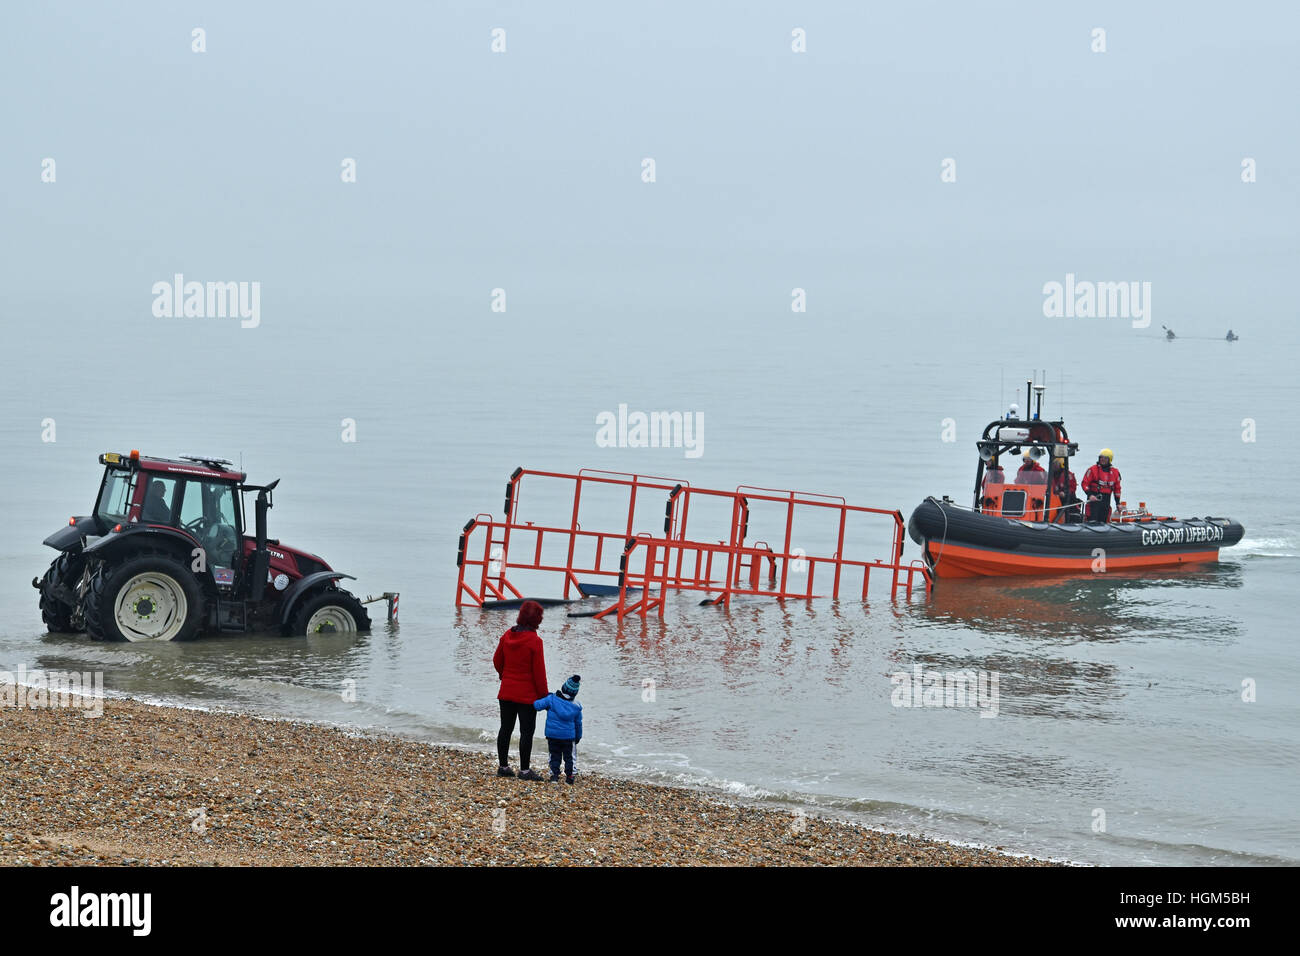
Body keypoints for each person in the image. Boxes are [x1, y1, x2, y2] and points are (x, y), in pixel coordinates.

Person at [493, 600, 549, 780]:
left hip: (507, 691)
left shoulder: (507, 635)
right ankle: (524, 770)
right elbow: (539, 673)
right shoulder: (535, 641)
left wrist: (504, 675)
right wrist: (544, 697)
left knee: (505, 729)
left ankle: (503, 766)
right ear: (536, 619)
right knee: (526, 732)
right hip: (527, 696)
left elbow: (496, 660)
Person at [535, 675, 583, 784]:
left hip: (553, 735)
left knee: (554, 755)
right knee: (569, 757)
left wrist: (541, 696)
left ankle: (554, 776)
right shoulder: (576, 707)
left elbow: (537, 706)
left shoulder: (551, 699)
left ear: (563, 688)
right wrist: (578, 736)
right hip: (568, 737)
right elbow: (578, 724)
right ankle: (570, 776)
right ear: (574, 693)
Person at [1081, 449, 1122, 523]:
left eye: (1105, 458)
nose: (1102, 460)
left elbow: (1117, 489)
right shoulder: (1092, 470)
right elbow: (1084, 483)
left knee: (1104, 521)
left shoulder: (1115, 472)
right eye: (1101, 457)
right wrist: (1090, 495)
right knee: (1092, 521)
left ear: (1110, 460)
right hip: (1094, 500)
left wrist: (1118, 503)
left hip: (1106, 501)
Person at [1050, 457, 1080, 522]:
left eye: (1056, 464)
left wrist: (1065, 493)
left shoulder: (1069, 475)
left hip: (1067, 501)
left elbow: (1072, 488)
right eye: (1053, 464)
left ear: (1061, 464)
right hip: (1054, 501)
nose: (1054, 466)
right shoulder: (1051, 475)